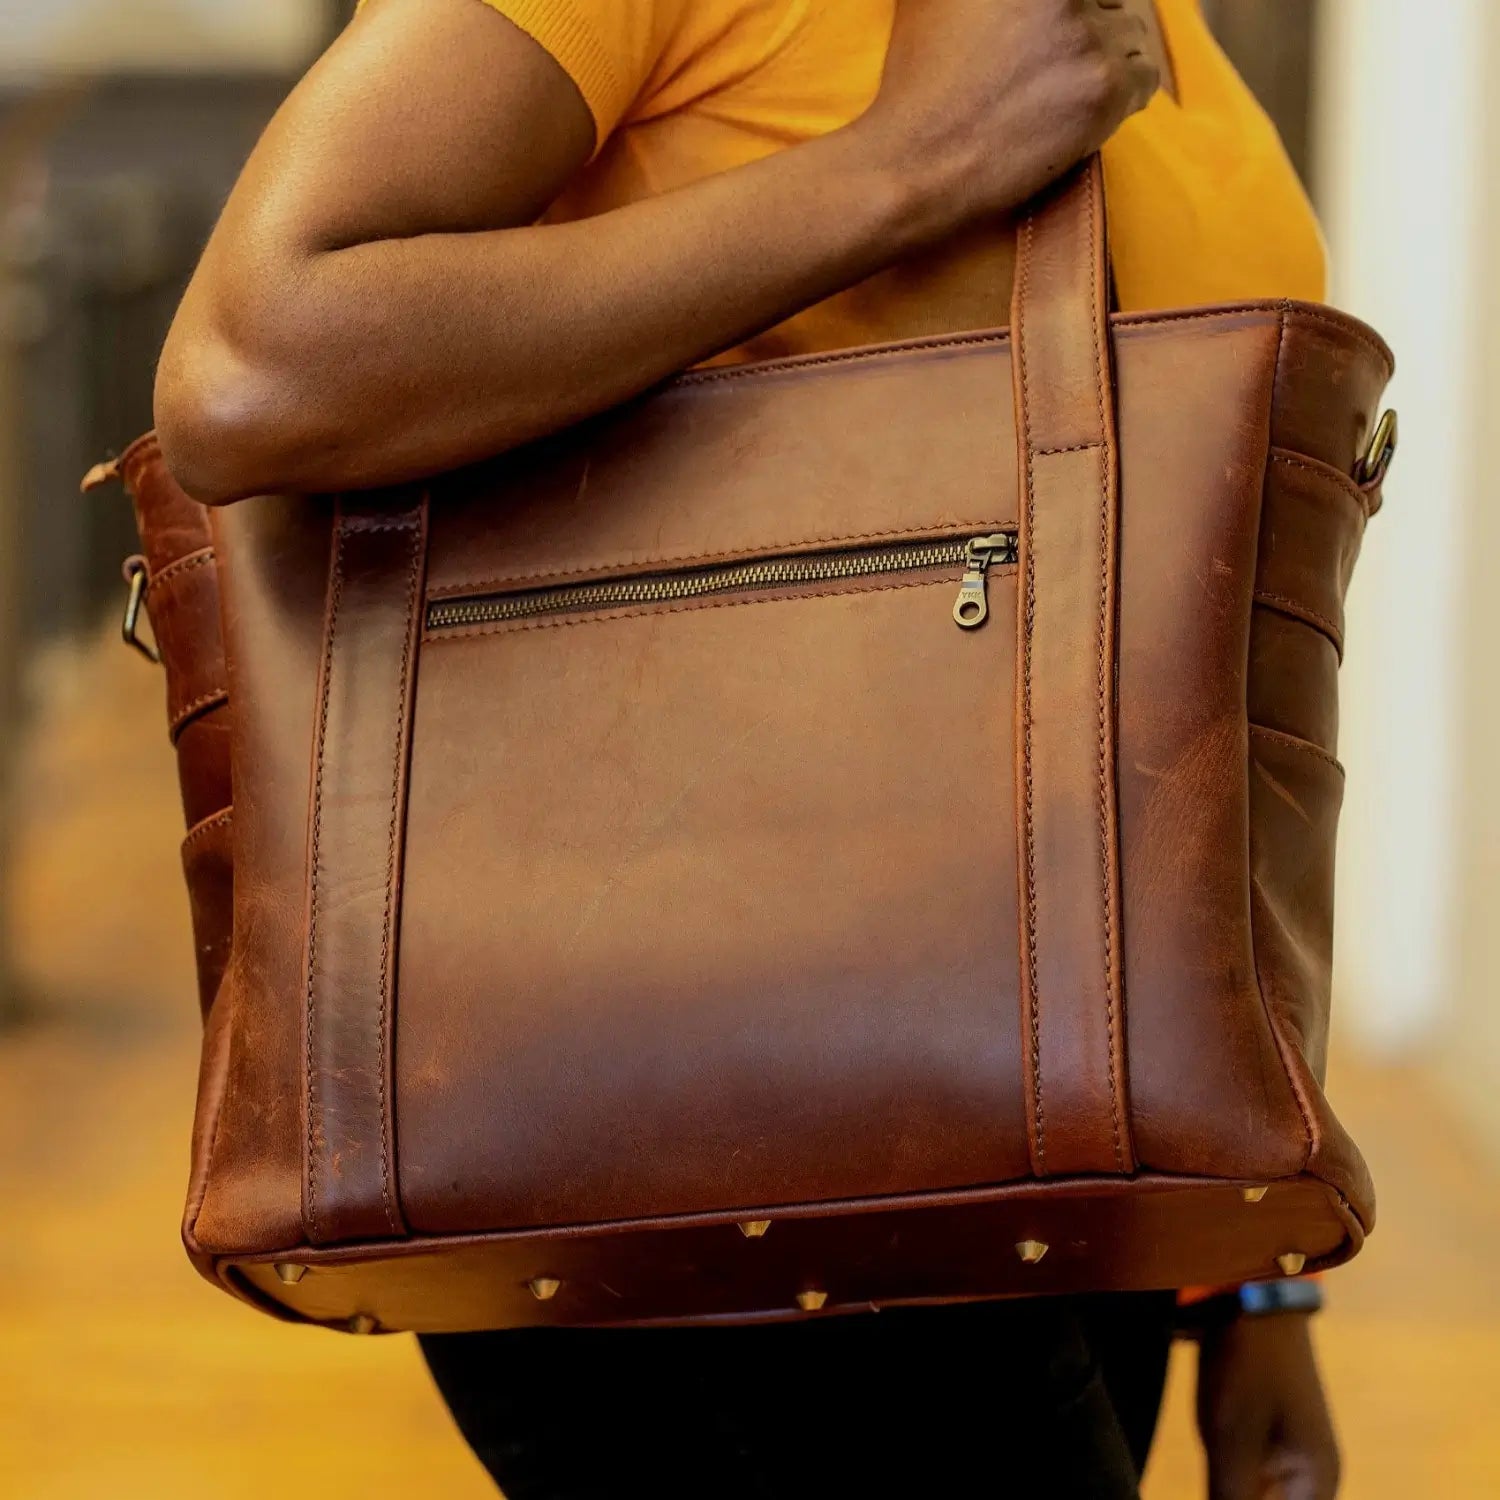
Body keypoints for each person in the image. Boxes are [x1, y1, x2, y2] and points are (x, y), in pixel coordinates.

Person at [154, 1, 1342, 1494]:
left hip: (1070, 1132)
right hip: (711, 1123)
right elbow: (249, 366)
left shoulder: (1166, 22)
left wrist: (1252, 1281)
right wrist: (903, 166)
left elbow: (1185, 707)